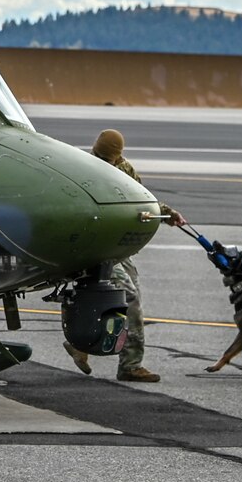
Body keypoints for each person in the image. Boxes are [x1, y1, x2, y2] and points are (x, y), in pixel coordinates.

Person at [64, 128, 184, 383]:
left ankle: (82, 346)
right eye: (101, 158)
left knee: (129, 298)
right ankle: (130, 365)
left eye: (109, 160)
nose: (105, 164)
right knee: (129, 301)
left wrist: (167, 213)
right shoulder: (83, 169)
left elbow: (142, 199)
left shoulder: (124, 169)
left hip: (116, 248)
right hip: (97, 248)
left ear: (118, 158)